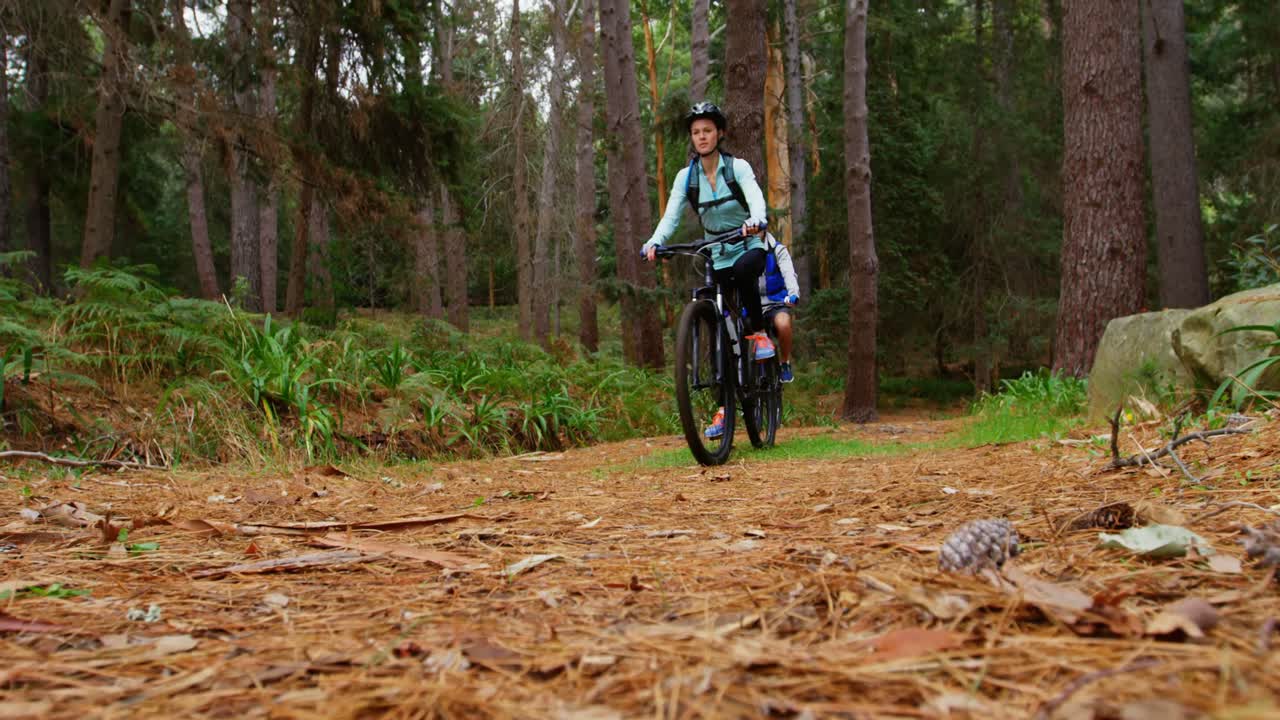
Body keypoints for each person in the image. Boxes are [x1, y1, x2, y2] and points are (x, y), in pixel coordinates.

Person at [641, 101, 774, 366]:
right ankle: (725, 385)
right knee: (714, 303)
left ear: (720, 133)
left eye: (708, 130)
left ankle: (760, 334)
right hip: (717, 251)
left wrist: (756, 220)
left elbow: (756, 199)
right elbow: (671, 216)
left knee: (746, 270)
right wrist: (655, 241)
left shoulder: (738, 168)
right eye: (696, 132)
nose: (701, 136)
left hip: (748, 243)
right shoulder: (686, 178)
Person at [759, 234, 800, 384]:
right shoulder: (741, 250)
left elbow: (789, 273)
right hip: (752, 305)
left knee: (783, 324)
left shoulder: (777, 249)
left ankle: (784, 363)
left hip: (776, 301)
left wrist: (793, 294)